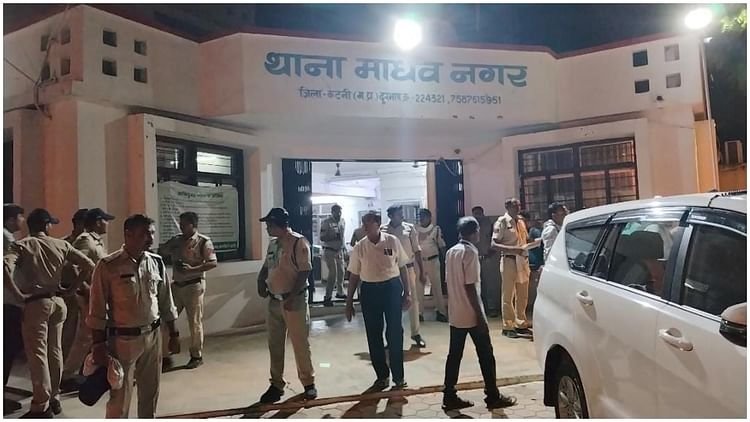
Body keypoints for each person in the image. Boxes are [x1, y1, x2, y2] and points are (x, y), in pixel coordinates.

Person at [4, 208, 95, 418]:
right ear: (46, 225)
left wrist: (18, 295)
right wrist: (71, 289)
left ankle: (40, 405)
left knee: (38, 354)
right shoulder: (61, 245)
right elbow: (88, 265)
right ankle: (54, 398)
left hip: (36, 304)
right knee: (55, 352)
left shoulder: (22, 245)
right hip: (58, 301)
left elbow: (4, 266)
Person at [86, 214, 180, 418]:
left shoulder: (156, 263)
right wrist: (98, 345)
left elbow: (166, 301)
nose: (151, 238)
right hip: (123, 341)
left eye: (152, 233)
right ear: (128, 234)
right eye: (145, 233)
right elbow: (97, 309)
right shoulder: (108, 266)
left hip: (153, 336)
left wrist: (174, 334)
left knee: (150, 390)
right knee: (121, 395)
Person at [442, 217, 517, 410]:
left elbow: (450, 282)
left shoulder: (451, 251)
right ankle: (492, 395)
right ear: (474, 232)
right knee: (486, 355)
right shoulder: (470, 253)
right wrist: (481, 316)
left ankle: (449, 395)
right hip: (471, 313)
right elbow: (470, 287)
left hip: (456, 313)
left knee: (454, 356)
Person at [256, 208, 317, 403]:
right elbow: (267, 266)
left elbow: (305, 271)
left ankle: (308, 383)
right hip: (274, 300)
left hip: (294, 300)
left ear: (279, 224)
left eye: (269, 225)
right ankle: (276, 384)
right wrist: (260, 280)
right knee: (274, 344)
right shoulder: (273, 244)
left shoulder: (298, 242)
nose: (267, 228)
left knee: (300, 343)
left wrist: (291, 296)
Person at [345, 211, 411, 391]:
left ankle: (398, 376)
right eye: (363, 223)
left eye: (368, 223)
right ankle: (382, 376)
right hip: (369, 291)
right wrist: (349, 302)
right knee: (374, 334)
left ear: (378, 223)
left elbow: (402, 267)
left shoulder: (392, 241)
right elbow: (354, 275)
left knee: (395, 332)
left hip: (391, 289)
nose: (365, 226)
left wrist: (407, 293)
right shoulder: (360, 247)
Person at [60, 208, 116, 393]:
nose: (107, 224)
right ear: (98, 221)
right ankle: (67, 375)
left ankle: (86, 370)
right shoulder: (85, 240)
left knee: (93, 335)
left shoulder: (96, 241)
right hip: (87, 296)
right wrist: (84, 288)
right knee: (84, 336)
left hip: (97, 294)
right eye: (105, 220)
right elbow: (71, 265)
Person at [159, 212, 217, 370]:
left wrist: (192, 269)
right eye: (180, 223)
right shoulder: (176, 240)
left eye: (184, 224)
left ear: (193, 225)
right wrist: (167, 248)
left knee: (194, 323)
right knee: (166, 320)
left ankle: (196, 356)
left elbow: (212, 263)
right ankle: (165, 355)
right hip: (177, 286)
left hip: (194, 286)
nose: (181, 226)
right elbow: (161, 251)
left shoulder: (203, 242)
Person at [381, 205, 427, 348]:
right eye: (398, 214)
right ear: (390, 216)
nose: (402, 216)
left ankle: (416, 333)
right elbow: (382, 251)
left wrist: (422, 271)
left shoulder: (409, 228)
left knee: (413, 301)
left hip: (408, 268)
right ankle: (392, 336)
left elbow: (417, 250)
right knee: (391, 304)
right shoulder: (383, 230)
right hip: (390, 271)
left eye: (402, 213)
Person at [491, 199, 538, 339]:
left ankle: (521, 323)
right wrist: (513, 249)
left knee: (523, 293)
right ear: (507, 207)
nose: (517, 208)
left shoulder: (521, 221)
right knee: (508, 294)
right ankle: (508, 325)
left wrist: (534, 242)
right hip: (509, 260)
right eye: (514, 206)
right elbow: (494, 244)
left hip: (522, 260)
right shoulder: (502, 222)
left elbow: (525, 239)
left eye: (518, 205)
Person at [3, 204, 25, 415]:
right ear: (10, 219)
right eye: (20, 217)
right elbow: (5, 269)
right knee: (8, 348)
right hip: (8, 302)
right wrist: (18, 295)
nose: (22, 221)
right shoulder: (6, 238)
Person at [61, 208, 88, 359]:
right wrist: (83, 287)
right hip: (72, 292)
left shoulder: (88, 240)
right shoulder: (66, 243)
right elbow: (71, 267)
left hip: (82, 293)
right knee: (70, 334)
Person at [415, 208, 448, 322]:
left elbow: (442, 245)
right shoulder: (414, 230)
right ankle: (419, 313)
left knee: (437, 287)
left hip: (433, 261)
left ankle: (440, 312)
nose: (421, 218)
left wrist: (446, 260)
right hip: (419, 261)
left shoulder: (436, 229)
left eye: (423, 216)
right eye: (419, 216)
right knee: (419, 288)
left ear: (429, 217)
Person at [472, 206, 500, 318]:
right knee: (475, 285)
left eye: (479, 213)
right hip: (473, 259)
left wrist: (490, 254)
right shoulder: (470, 226)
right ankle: (478, 309)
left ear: (483, 213)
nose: (477, 216)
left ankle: (492, 308)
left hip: (487, 259)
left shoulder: (490, 224)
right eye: (475, 214)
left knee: (489, 285)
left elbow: (495, 240)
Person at [320, 204, 346, 306]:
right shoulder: (326, 222)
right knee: (333, 274)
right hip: (330, 250)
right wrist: (332, 236)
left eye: (340, 212)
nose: (339, 214)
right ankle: (328, 297)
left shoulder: (342, 221)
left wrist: (344, 248)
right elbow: (322, 237)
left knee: (341, 272)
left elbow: (342, 237)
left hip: (339, 251)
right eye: (337, 212)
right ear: (332, 212)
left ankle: (340, 292)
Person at [520, 212, 544, 319]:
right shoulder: (528, 230)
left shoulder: (534, 230)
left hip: (535, 261)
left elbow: (536, 241)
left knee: (532, 286)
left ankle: (531, 307)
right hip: (530, 261)